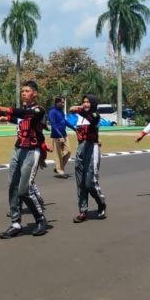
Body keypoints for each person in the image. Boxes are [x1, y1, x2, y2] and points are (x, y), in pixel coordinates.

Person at [0, 81, 48, 238]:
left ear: (35, 93)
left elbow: (26, 116)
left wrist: (4, 109)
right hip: (18, 150)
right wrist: (6, 118)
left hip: (31, 151)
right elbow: (19, 119)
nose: (23, 93)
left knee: (24, 190)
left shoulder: (39, 110)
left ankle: (40, 219)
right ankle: (16, 223)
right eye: (22, 91)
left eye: (27, 91)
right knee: (13, 186)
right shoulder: (24, 111)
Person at [69, 94, 106, 222]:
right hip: (80, 150)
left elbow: (91, 119)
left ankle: (101, 203)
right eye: (83, 102)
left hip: (92, 149)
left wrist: (79, 109)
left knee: (89, 183)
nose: (85, 104)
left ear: (93, 103)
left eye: (88, 102)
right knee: (80, 183)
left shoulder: (95, 115)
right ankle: (82, 211)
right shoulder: (80, 118)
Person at [48, 96, 74, 179]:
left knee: (68, 151)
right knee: (58, 154)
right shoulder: (52, 112)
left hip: (64, 134)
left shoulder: (61, 111)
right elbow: (53, 124)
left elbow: (65, 122)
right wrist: (59, 134)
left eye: (64, 102)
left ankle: (58, 167)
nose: (63, 104)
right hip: (57, 136)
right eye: (62, 102)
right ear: (57, 102)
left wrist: (74, 128)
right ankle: (61, 172)